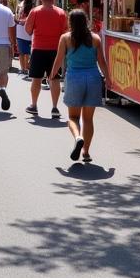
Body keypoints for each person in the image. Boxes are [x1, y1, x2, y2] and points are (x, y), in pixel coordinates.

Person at [50, 9, 110, 163]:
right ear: (86, 21)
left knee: (72, 117)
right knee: (88, 119)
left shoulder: (66, 38)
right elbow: (102, 62)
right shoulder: (95, 39)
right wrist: (108, 79)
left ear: (70, 22)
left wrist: (52, 75)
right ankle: (86, 152)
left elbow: (58, 59)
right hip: (93, 78)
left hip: (74, 78)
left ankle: (78, 137)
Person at [24, 0, 69, 119]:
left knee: (36, 79)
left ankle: (33, 105)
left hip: (38, 48)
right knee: (54, 78)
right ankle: (55, 107)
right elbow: (65, 32)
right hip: (55, 50)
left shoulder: (35, 11)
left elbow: (28, 30)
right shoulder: (61, 13)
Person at [15, 0, 34, 79]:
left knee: (21, 52)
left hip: (20, 30)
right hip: (29, 31)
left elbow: (16, 17)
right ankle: (27, 68)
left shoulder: (19, 6)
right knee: (27, 52)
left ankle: (23, 69)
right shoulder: (34, 8)